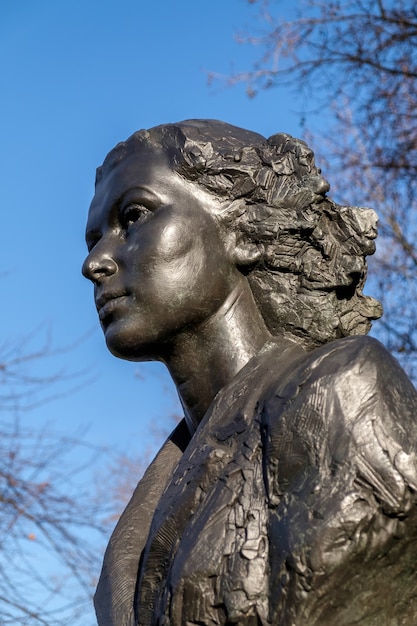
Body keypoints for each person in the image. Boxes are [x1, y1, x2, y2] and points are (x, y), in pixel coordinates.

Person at [82, 120, 417, 626]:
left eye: (134, 216)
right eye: (94, 239)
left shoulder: (341, 391)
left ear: (243, 233)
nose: (95, 262)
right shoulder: (149, 508)